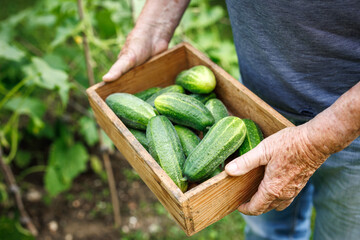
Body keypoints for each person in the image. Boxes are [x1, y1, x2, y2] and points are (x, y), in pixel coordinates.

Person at [103, 1, 360, 239]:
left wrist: (311, 144)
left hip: (353, 126)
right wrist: (154, 27)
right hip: (260, 101)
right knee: (265, 226)